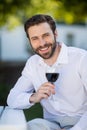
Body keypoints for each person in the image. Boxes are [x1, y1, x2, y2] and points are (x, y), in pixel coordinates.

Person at [7, 14, 87, 130]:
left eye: (46, 35)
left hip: (80, 122)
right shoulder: (33, 63)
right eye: (35, 38)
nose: (42, 43)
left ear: (55, 34)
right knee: (32, 126)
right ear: (29, 40)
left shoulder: (81, 58)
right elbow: (12, 98)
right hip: (51, 124)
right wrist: (34, 97)